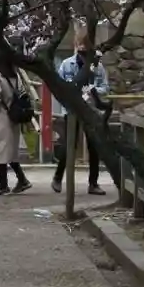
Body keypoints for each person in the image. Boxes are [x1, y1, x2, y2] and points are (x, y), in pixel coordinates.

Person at [51, 37, 110, 196]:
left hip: (90, 109)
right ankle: (58, 177)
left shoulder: (97, 66)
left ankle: (93, 183)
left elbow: (105, 87)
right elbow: (59, 86)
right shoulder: (67, 64)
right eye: (80, 49)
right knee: (69, 145)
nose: (83, 53)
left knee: (94, 146)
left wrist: (92, 91)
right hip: (72, 110)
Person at [0, 47, 33, 195]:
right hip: (14, 115)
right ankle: (21, 180)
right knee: (10, 152)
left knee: (0, 151)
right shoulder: (15, 75)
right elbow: (21, 93)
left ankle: (4, 185)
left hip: (1, 116)